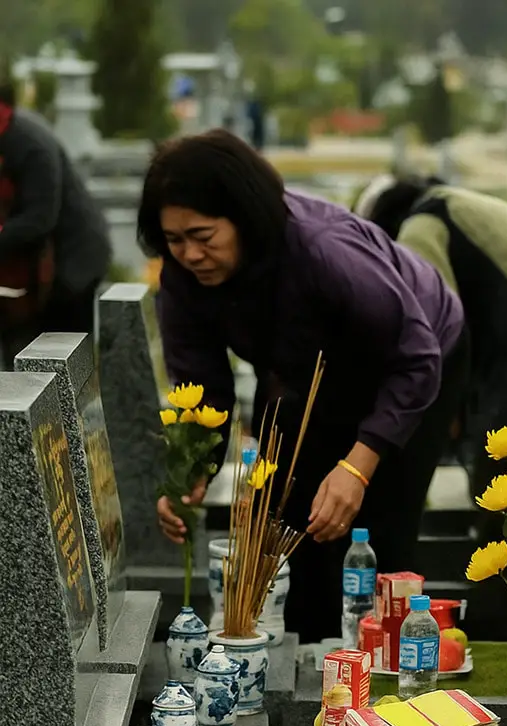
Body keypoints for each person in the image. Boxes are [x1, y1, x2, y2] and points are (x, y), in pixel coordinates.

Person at [143, 129, 468, 644]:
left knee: (375, 525)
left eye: (203, 236)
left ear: (245, 218)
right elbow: (202, 387)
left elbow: (415, 357)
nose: (190, 254)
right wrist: (190, 472)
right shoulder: (184, 275)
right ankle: (306, 656)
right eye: (174, 240)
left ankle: (386, 662)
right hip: (302, 372)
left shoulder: (324, 250)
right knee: (287, 518)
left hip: (410, 360)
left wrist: (356, 468)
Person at [361, 175, 507, 554]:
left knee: (503, 492)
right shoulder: (459, 203)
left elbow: (432, 328)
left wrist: (443, 409)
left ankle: (502, 589)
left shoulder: (423, 225)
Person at [0, 81, 111, 369]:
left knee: (60, 364)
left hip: (71, 263)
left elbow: (39, 219)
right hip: (27, 274)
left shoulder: (30, 143)